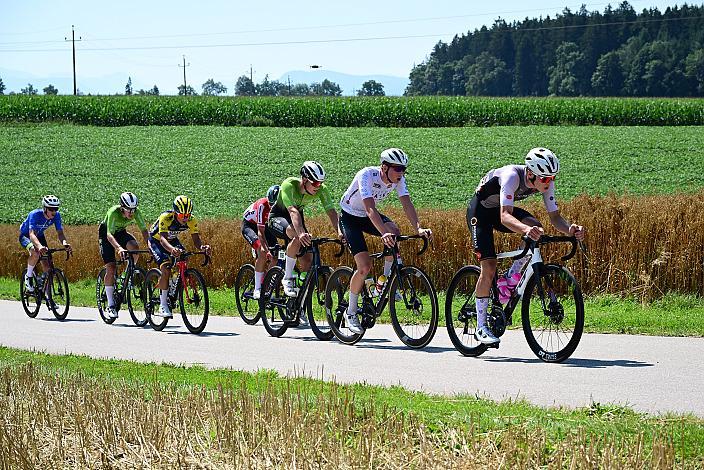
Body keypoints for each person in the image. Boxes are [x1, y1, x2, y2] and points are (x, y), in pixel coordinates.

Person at [467, 148, 585, 345]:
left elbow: (555, 218)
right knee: (488, 266)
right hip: (480, 213)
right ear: (530, 173)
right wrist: (524, 230)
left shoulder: (545, 182)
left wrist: (570, 230)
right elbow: (505, 216)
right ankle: (481, 327)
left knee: (537, 227)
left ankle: (511, 277)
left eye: (552, 178)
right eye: (545, 179)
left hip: (501, 210)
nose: (549, 182)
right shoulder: (511, 176)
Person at [338, 148, 432, 334]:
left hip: (366, 216)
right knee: (364, 266)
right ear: (384, 167)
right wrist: (382, 233)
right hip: (350, 217)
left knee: (395, 231)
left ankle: (384, 282)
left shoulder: (399, 179)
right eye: (397, 169)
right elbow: (370, 208)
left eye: (404, 169)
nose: (401, 173)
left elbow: (407, 203)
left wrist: (418, 228)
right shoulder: (366, 175)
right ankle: (351, 312)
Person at [268, 161, 343, 298]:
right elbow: (293, 211)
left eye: (320, 183)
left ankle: (298, 300)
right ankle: (288, 277)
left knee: (308, 260)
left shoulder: (321, 189)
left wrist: (340, 232)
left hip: (296, 219)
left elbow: (331, 212)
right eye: (314, 183)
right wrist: (301, 233)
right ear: (304, 179)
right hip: (278, 218)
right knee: (297, 237)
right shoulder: (289, 185)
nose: (318, 186)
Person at [148, 195, 211, 318]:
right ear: (175, 212)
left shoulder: (191, 220)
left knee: (184, 257)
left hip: (171, 239)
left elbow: (196, 240)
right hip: (156, 241)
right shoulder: (166, 217)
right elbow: (162, 239)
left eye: (188, 215)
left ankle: (172, 284)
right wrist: (172, 250)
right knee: (165, 268)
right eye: (182, 215)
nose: (185, 218)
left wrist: (202, 247)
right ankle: (163, 305)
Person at [98, 192, 150, 319]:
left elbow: (144, 230)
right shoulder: (113, 212)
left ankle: (127, 274)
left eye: (133, 210)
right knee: (111, 268)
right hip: (106, 235)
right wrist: (119, 248)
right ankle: (110, 305)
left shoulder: (136, 212)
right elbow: (109, 235)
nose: (131, 213)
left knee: (135, 248)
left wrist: (151, 246)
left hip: (121, 232)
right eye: (128, 210)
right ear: (122, 207)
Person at [19, 195, 73, 293]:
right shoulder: (35, 214)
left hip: (39, 236)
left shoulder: (56, 216)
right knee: (35, 253)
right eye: (51, 209)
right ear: (45, 208)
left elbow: (60, 233)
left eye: (56, 209)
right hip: (26, 236)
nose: (54, 211)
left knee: (48, 268)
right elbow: (31, 234)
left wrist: (65, 243)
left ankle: (48, 297)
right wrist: (39, 247)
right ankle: (29, 276)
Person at [241, 185, 280, 299]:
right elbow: (260, 232)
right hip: (250, 226)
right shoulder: (263, 204)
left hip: (265, 226)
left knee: (276, 256)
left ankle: (266, 285)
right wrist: (265, 249)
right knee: (262, 251)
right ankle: (257, 289)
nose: (273, 208)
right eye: (271, 205)